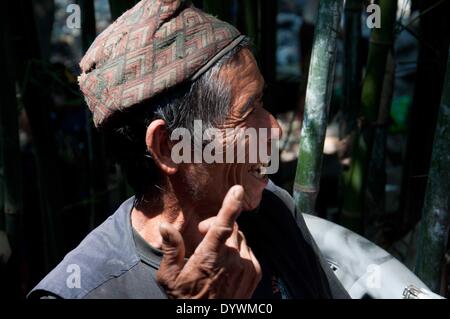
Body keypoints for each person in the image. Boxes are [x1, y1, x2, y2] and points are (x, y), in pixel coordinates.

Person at [28, 0, 349, 299]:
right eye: (248, 112)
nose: (274, 129)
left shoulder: (272, 211)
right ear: (168, 147)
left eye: (262, 101)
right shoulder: (84, 290)